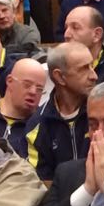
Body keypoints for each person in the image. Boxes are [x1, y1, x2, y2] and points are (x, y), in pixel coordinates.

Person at [27, 40, 95, 182]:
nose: (94, 76)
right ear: (59, 77)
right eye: (84, 69)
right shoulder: (37, 125)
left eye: (92, 66)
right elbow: (42, 184)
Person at [0, 58, 46, 158]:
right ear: (9, 81)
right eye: (27, 85)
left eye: (39, 89)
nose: (33, 92)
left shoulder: (42, 127)